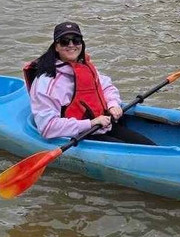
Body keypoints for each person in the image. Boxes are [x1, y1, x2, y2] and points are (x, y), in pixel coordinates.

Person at [26, 22, 155, 145]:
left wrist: (113, 105)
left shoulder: (85, 67)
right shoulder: (47, 81)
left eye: (76, 40)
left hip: (103, 125)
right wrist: (90, 123)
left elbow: (107, 87)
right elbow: (47, 127)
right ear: (56, 47)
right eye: (65, 41)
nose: (71, 45)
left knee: (150, 146)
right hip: (77, 134)